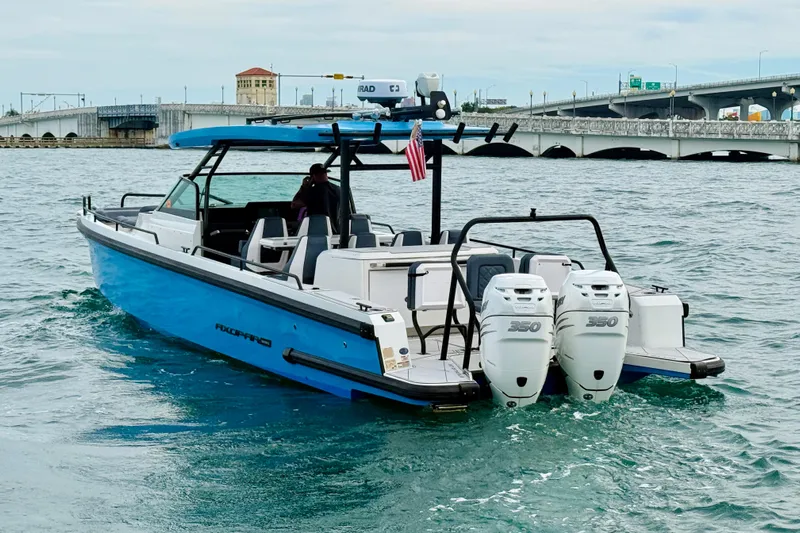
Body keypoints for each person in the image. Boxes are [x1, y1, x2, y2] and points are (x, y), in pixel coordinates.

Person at [293, 163, 344, 231]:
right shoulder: (339, 190)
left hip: (316, 231)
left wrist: (304, 187)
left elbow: (294, 204)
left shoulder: (313, 191)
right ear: (326, 174)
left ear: (313, 176)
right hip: (336, 231)